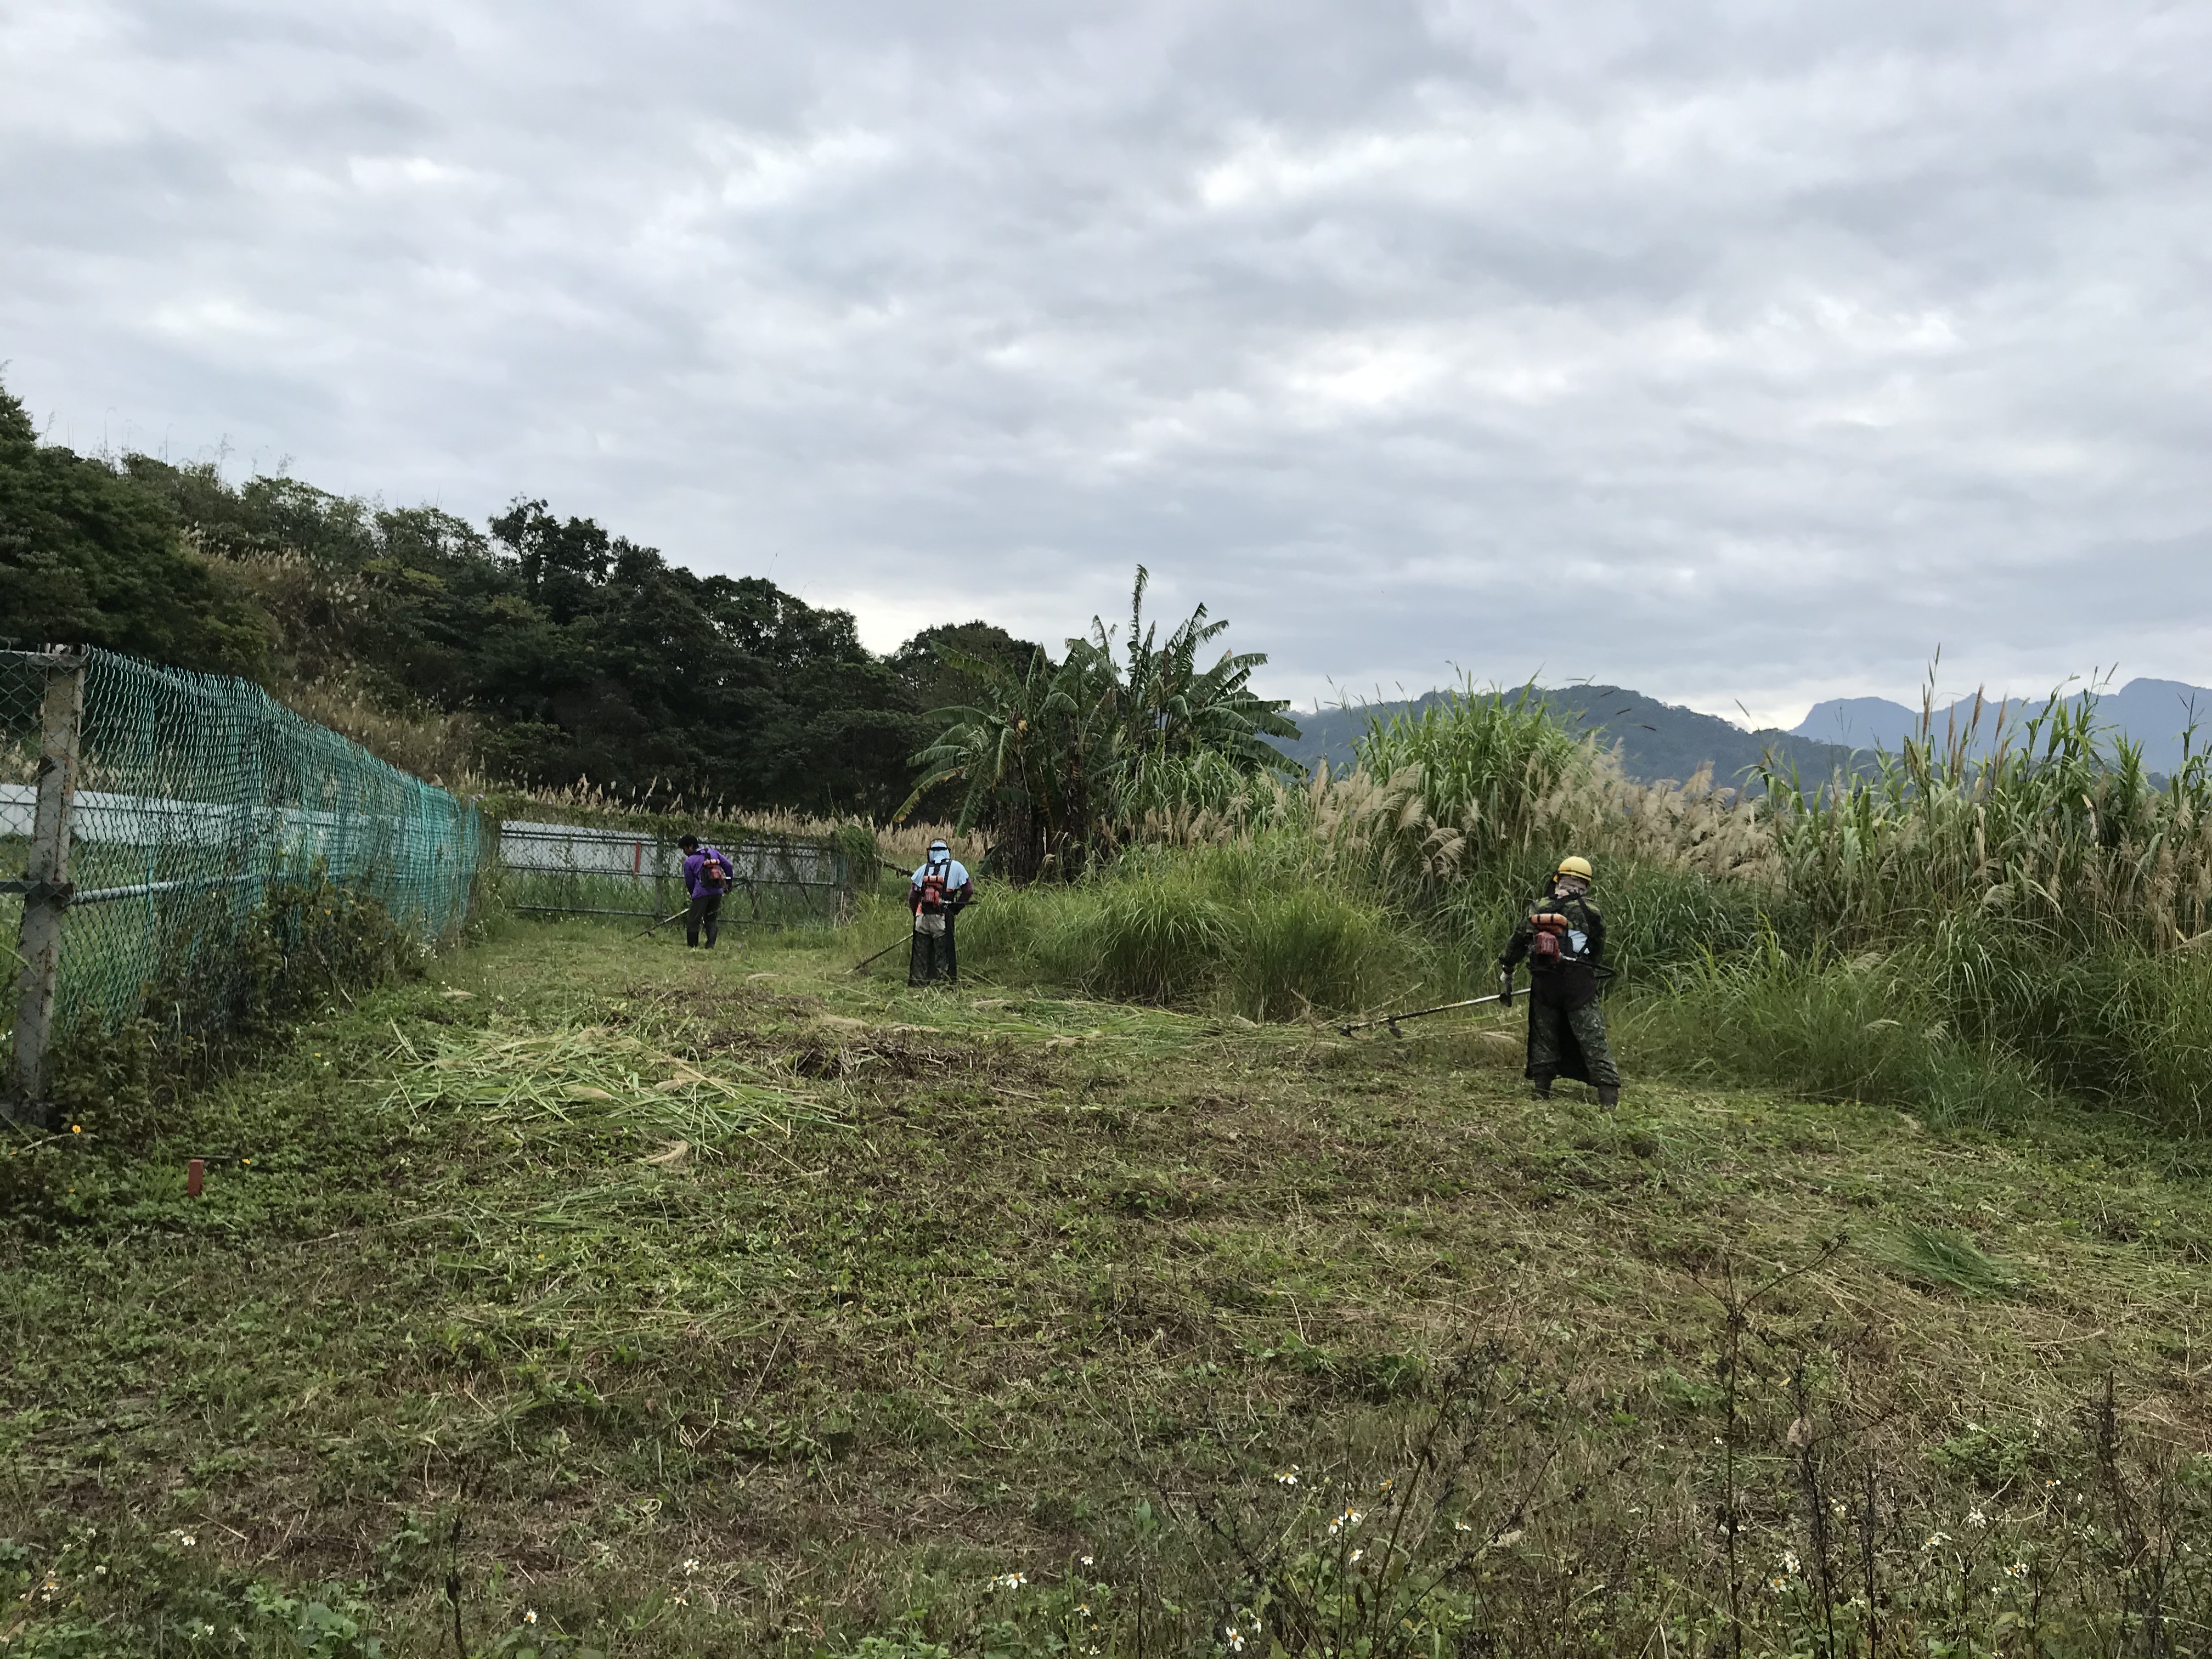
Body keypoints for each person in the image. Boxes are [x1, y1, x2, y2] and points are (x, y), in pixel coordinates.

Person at [1498, 854, 1621, 1106]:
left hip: (1545, 982)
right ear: (1586, 885)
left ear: (1558, 880)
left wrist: (1507, 967)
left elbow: (1517, 942)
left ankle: (1542, 1090)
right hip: (1579, 984)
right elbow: (1596, 950)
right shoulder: (1593, 911)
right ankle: (1608, 1098)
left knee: (1544, 1035)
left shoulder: (1538, 907)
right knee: (1593, 1039)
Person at [909, 838, 974, 985]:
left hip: (922, 919)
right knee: (943, 956)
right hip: (942, 919)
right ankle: (942, 987)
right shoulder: (956, 867)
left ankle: (918, 986)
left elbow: (913, 897)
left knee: (920, 957)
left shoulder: (923, 869)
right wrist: (955, 909)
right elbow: (968, 890)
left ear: (930, 853)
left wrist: (916, 914)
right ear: (947, 852)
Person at [678, 833, 733, 949]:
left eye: (685, 849)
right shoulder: (714, 853)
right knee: (711, 919)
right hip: (717, 892)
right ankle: (710, 945)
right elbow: (728, 866)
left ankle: (693, 946)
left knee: (694, 920)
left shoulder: (689, 861)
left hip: (701, 893)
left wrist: (694, 894)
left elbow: (690, 882)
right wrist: (728, 884)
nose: (684, 852)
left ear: (691, 847)